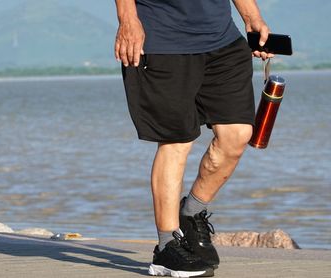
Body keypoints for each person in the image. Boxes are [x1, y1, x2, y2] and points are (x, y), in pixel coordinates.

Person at [114, 0, 273, 277]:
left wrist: (252, 16)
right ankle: (166, 248)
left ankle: (191, 213)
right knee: (176, 141)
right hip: (163, 40)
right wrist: (128, 20)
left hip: (223, 40)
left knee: (237, 135)